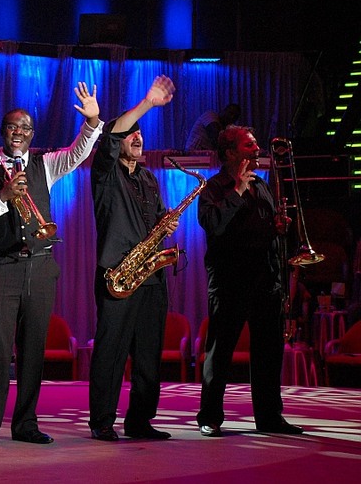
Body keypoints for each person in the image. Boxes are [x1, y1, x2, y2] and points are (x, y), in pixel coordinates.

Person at [0, 83, 104, 448]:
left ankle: (26, 423)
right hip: (1, 269)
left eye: (25, 128)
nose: (19, 132)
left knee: (33, 348)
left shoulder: (45, 164)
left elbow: (77, 154)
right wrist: (2, 198)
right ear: (2, 131)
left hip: (39, 267)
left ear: (32, 134)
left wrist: (92, 122)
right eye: (13, 126)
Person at [196, 125, 304, 437]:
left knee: (269, 353)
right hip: (230, 282)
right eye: (249, 146)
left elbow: (264, 229)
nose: (257, 150)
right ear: (230, 153)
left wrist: (278, 227)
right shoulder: (214, 188)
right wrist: (238, 191)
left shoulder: (262, 185)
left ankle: (270, 417)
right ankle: (210, 417)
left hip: (265, 281)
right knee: (220, 352)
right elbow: (213, 224)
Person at [89, 75, 178, 442]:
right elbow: (110, 135)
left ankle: (140, 420)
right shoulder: (105, 172)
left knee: (148, 354)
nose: (137, 137)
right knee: (110, 352)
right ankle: (102, 421)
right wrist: (147, 103)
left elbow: (154, 220)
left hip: (150, 276)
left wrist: (165, 224)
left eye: (140, 133)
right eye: (131, 133)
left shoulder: (149, 179)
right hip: (118, 274)